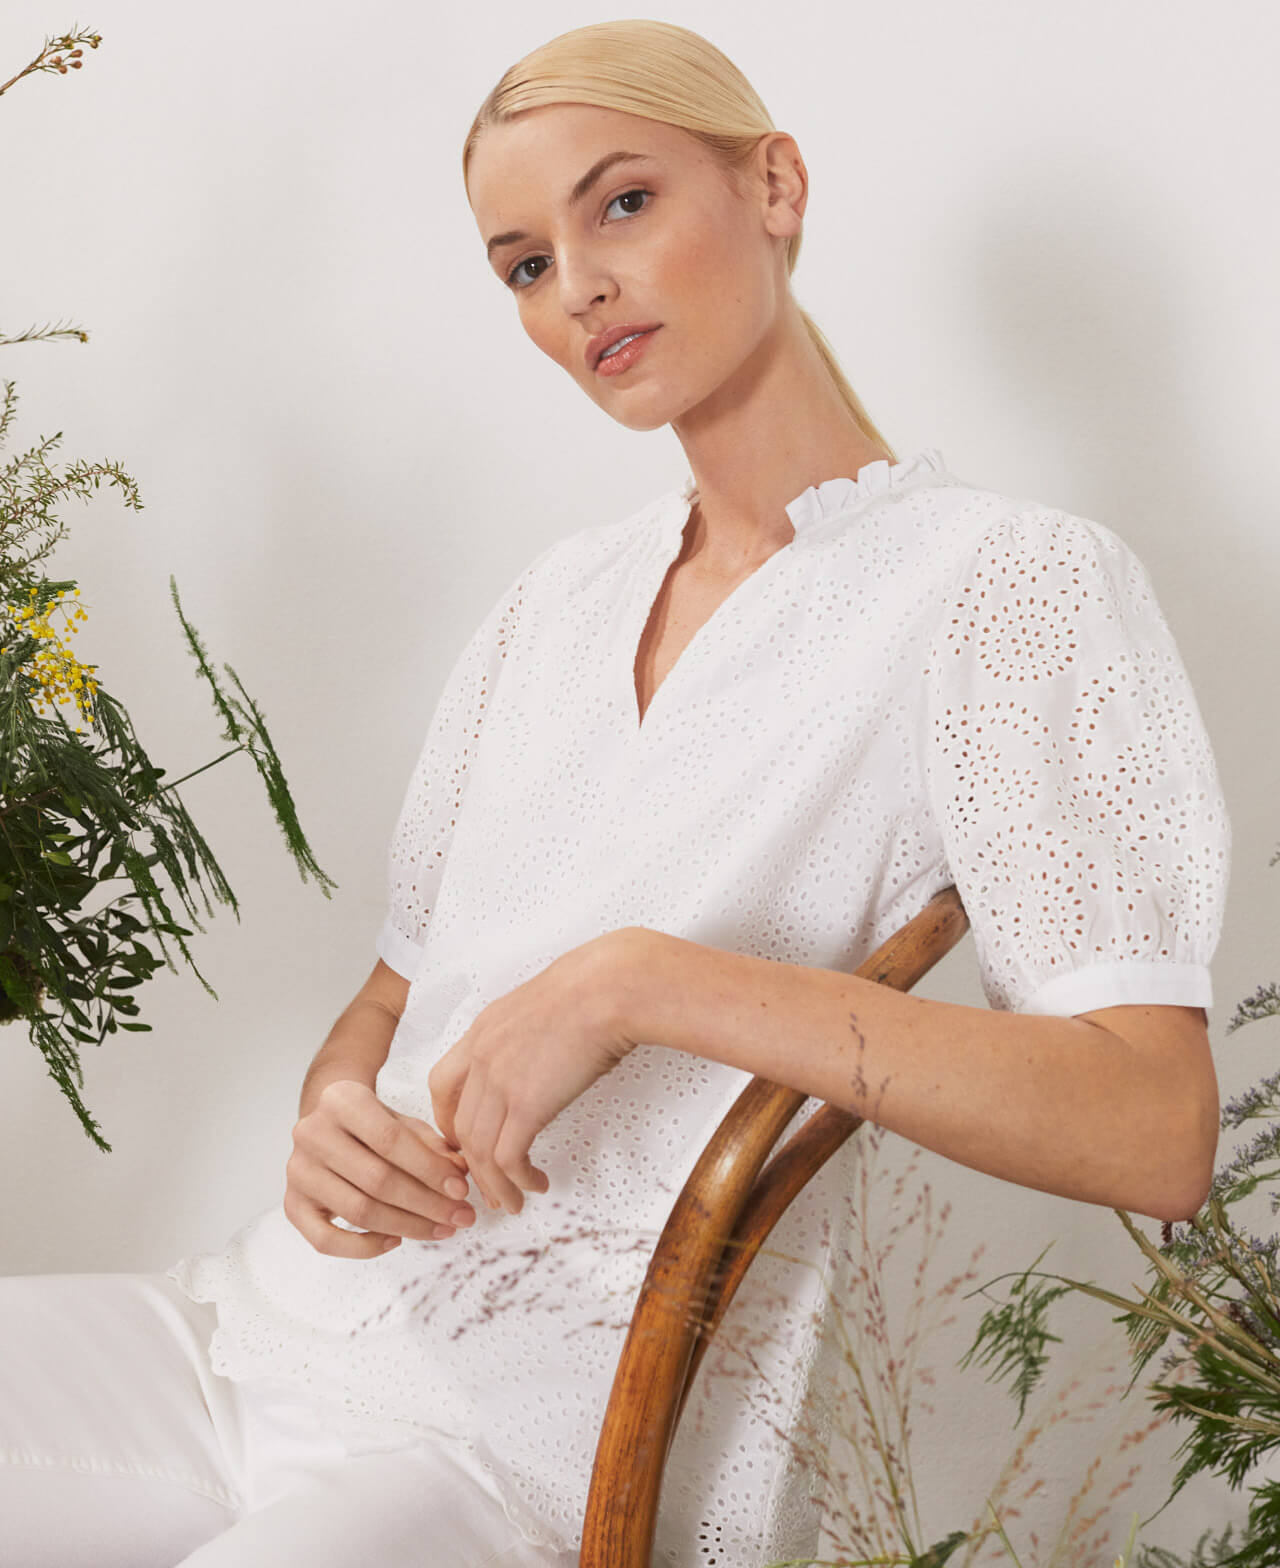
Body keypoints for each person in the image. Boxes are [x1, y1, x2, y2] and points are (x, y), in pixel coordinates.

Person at [0, 17, 1231, 1568]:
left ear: (773, 184)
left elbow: (1150, 1123)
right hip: (245, 1333)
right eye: (522, 263)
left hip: (505, 1449)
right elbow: (396, 995)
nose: (576, 284)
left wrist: (648, 983)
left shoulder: (1004, 586)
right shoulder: (553, 607)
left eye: (622, 204)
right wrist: (329, 1116)